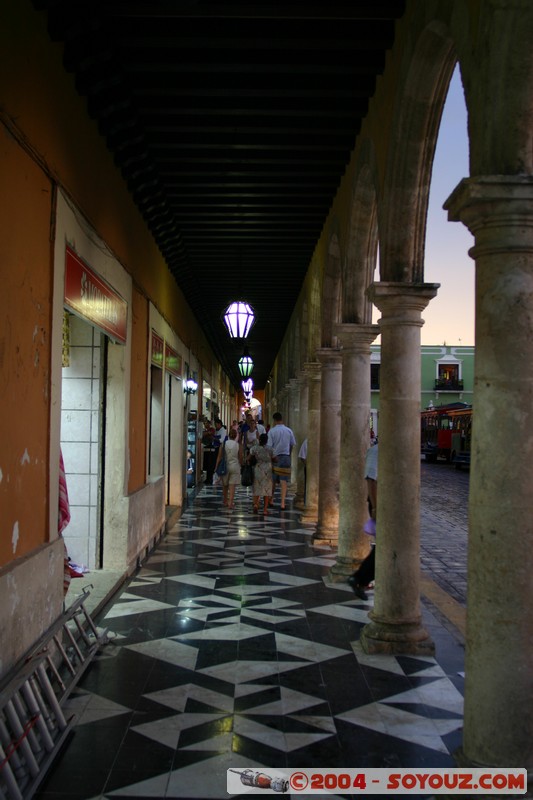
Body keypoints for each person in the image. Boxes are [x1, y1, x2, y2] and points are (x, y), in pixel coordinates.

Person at [348, 442, 378, 600]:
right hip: (380, 506)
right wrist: (375, 506)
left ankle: (361, 578)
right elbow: (371, 480)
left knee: (385, 547)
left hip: (389, 506)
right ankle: (360, 578)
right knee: (385, 547)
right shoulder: (375, 451)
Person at [267, 411, 296, 510]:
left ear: (274, 420)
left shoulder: (272, 431)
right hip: (286, 457)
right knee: (284, 481)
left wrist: (271, 458)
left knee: (273, 480)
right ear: (281, 419)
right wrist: (289, 453)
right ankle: (283, 503)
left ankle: (271, 499)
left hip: (276, 457)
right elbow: (292, 444)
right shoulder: (289, 430)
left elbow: (269, 446)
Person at [215, 427, 241, 509]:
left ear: (228, 435)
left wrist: (216, 467)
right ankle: (230, 503)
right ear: (236, 436)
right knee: (232, 486)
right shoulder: (238, 445)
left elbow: (219, 457)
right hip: (235, 466)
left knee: (225, 485)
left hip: (225, 466)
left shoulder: (223, 444)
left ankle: (225, 501)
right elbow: (240, 458)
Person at [249, 433, 274, 513]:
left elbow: (249, 457)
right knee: (266, 489)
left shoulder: (255, 448)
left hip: (258, 468)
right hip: (267, 469)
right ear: (266, 440)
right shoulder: (270, 449)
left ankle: (256, 504)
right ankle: (265, 510)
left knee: (257, 487)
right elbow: (275, 458)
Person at [298, 438, 308, 503]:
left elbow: (302, 457)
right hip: (309, 468)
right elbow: (302, 456)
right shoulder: (307, 441)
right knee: (308, 487)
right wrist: (308, 466)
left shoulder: (306, 441)